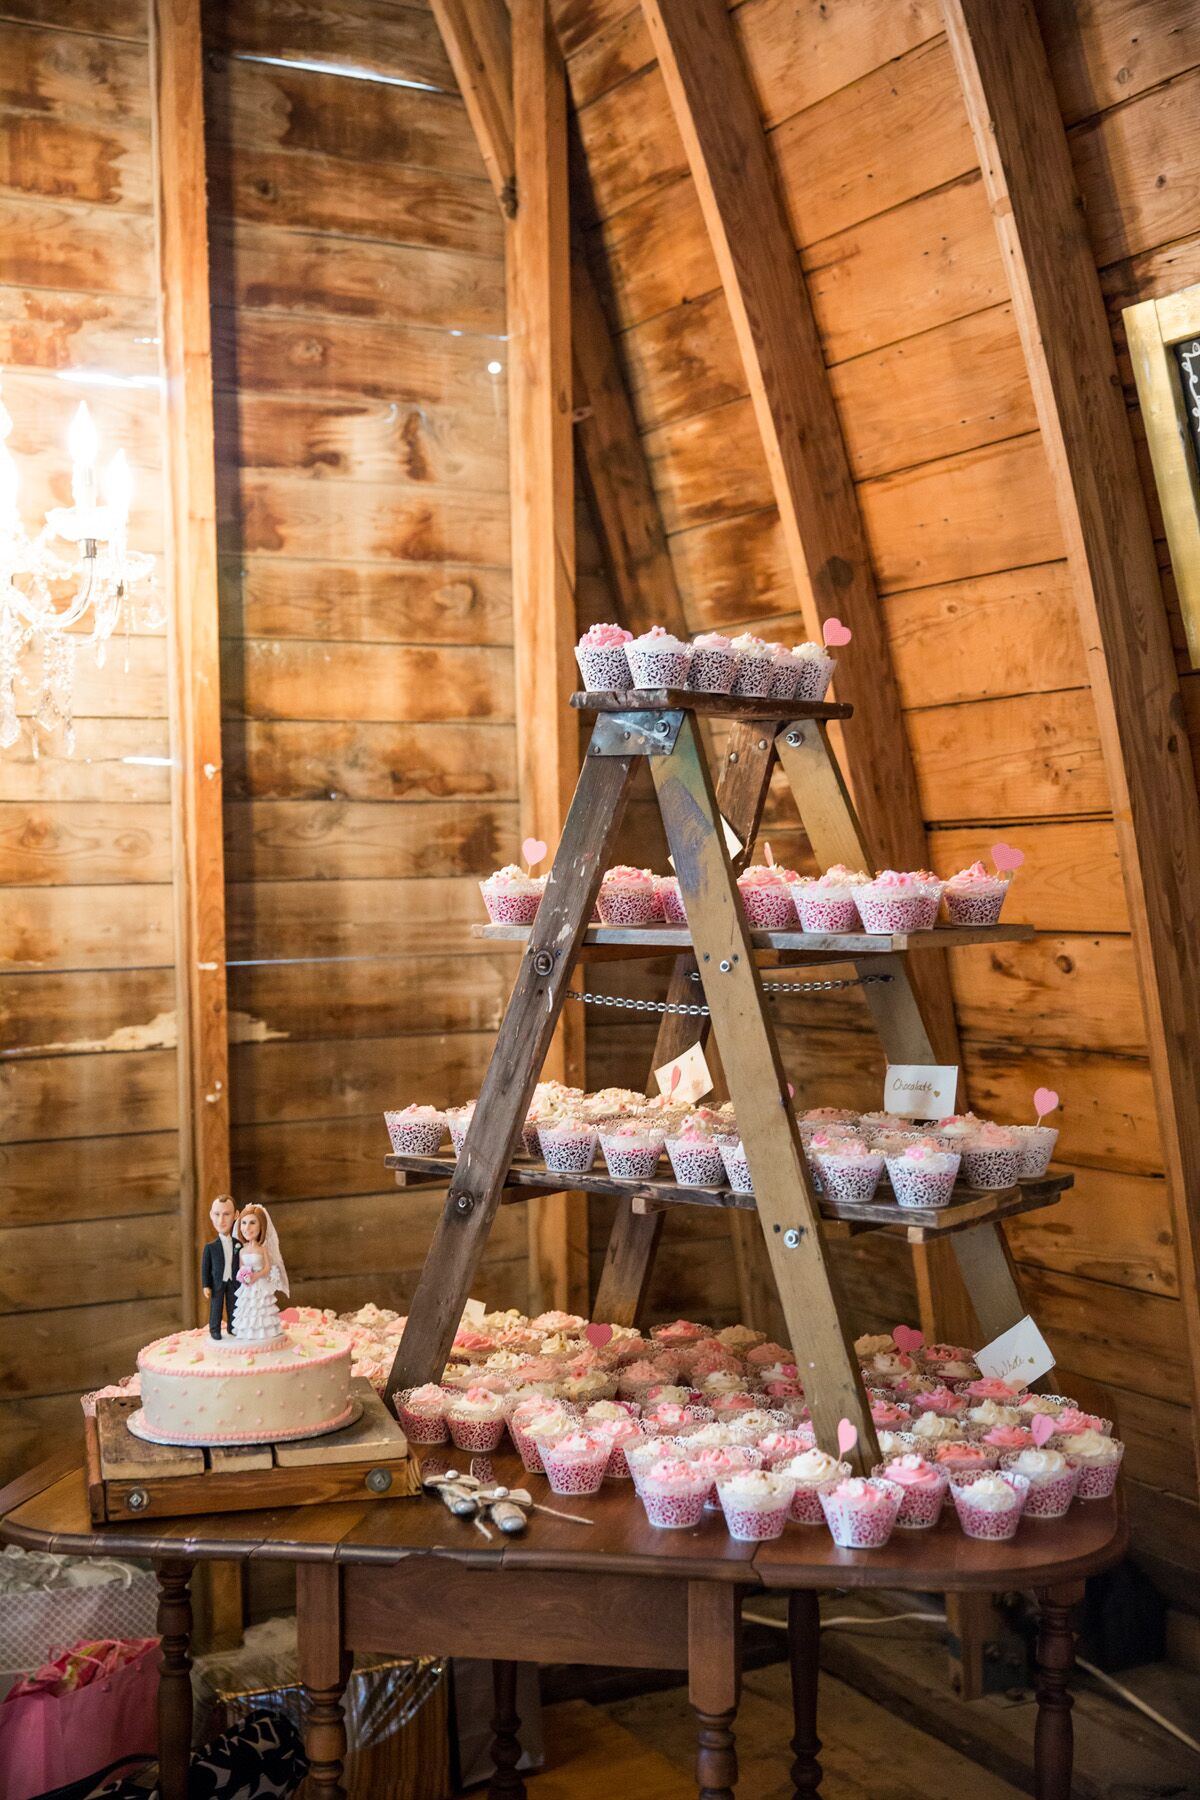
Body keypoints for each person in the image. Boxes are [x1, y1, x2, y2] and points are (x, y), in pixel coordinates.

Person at [231, 1203, 290, 1345]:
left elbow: (267, 1268)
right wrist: (243, 1276)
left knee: (262, 1309)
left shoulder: (262, 1249)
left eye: (252, 1223)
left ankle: (265, 1331)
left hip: (260, 1283)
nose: (247, 1227)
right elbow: (240, 1267)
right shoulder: (242, 1250)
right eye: (244, 1223)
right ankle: (248, 1331)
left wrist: (256, 1276)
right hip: (248, 1286)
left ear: (261, 1226)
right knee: (249, 1309)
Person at [200, 1193, 241, 1340]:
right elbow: (205, 1268)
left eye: (226, 1214)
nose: (221, 1220)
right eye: (217, 1214)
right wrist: (206, 1285)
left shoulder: (238, 1244)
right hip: (217, 1283)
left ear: (236, 1215)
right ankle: (214, 1329)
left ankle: (233, 1326)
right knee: (216, 1307)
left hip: (234, 1281)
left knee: (234, 1305)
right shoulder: (210, 1248)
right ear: (211, 1215)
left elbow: (242, 1263)